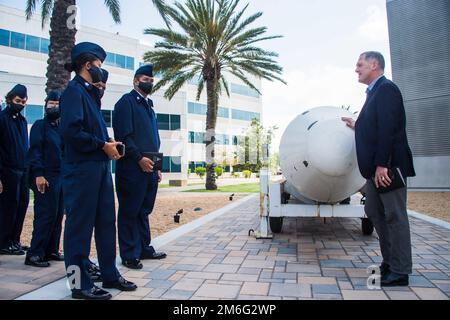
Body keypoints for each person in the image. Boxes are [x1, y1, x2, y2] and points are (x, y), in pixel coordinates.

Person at [60, 42, 136, 300]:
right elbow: (71, 132)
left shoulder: (90, 95)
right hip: (81, 170)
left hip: (99, 169)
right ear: (87, 64)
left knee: (106, 223)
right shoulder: (73, 92)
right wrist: (102, 145)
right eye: (99, 66)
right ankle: (79, 285)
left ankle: (110, 274)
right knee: (78, 228)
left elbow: (92, 132)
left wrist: (109, 145)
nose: (101, 72)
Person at [342, 51, 416, 287]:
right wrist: (358, 124)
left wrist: (383, 164)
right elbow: (375, 124)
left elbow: (387, 128)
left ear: (374, 65)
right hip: (375, 170)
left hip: (388, 167)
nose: (356, 68)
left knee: (395, 216)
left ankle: (401, 270)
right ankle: (390, 261)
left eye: (360, 64)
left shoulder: (386, 89)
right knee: (374, 210)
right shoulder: (373, 92)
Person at [113, 64, 166, 270]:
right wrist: (138, 159)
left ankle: (144, 247)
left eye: (152, 80)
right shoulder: (126, 103)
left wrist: (158, 166)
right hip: (132, 168)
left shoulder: (148, 105)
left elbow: (154, 139)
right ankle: (128, 254)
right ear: (135, 81)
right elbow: (124, 136)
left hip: (151, 168)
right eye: (145, 79)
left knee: (144, 210)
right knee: (129, 210)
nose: (149, 83)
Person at [25, 91, 65, 267]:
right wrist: (38, 174)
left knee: (57, 215)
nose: (54, 106)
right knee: (45, 215)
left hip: (61, 176)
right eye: (51, 103)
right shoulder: (40, 126)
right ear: (45, 105)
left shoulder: (61, 128)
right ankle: (35, 253)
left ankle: (51, 250)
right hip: (46, 176)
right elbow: (35, 151)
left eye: (57, 103)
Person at [0, 84, 30, 255]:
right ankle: (4, 241)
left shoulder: (22, 120)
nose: (21, 104)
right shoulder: (2, 118)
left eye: (23, 102)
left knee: (22, 204)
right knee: (8, 207)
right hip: (7, 170)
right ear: (10, 99)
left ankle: (15, 240)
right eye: (18, 101)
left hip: (22, 170)